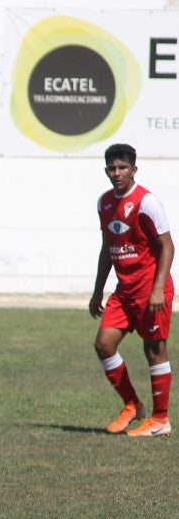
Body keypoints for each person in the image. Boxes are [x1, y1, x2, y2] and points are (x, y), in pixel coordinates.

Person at [90, 142, 174, 437]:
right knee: (103, 344)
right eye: (112, 168)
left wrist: (158, 288)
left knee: (154, 351)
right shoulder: (104, 203)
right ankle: (132, 405)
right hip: (124, 292)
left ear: (134, 169)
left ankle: (161, 419)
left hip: (150, 290)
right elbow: (107, 248)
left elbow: (167, 247)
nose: (117, 173)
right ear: (106, 170)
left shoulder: (147, 202)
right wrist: (97, 290)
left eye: (123, 167)